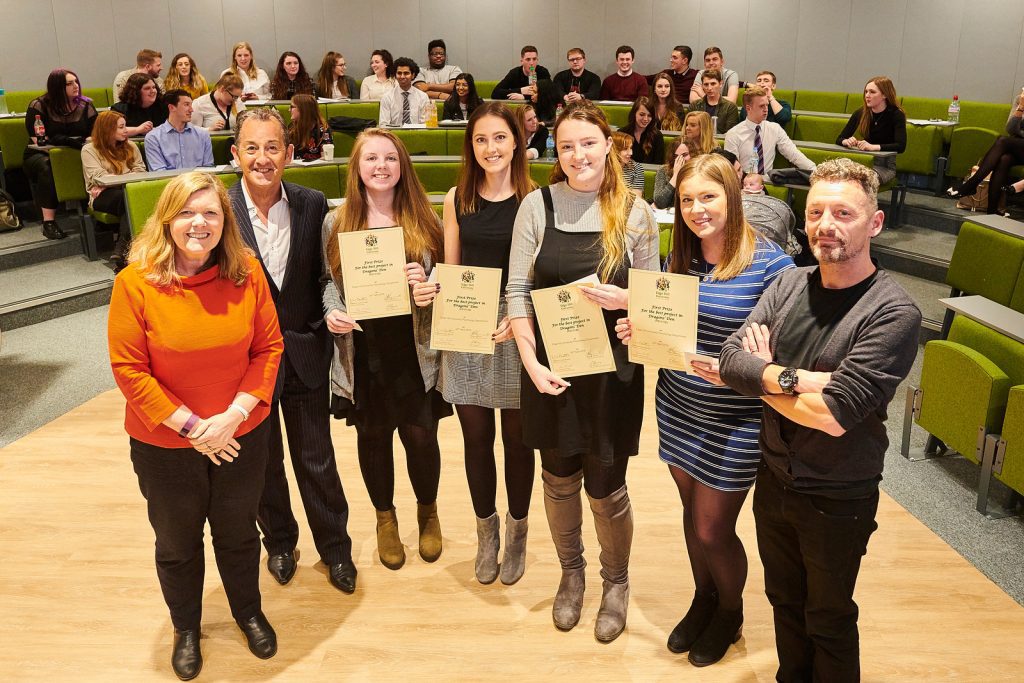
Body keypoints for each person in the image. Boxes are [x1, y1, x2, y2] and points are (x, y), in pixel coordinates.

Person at [719, 158, 921, 682]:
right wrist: (801, 380)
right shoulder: (788, 284)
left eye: (843, 213)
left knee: (828, 617)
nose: (825, 224)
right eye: (816, 211)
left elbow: (834, 417)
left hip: (837, 493)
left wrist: (763, 376)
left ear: (873, 224)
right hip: (775, 477)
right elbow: (731, 359)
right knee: (783, 600)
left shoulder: (894, 312)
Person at [616, 153, 795, 666]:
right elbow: (669, 327)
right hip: (679, 405)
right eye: (688, 199)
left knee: (714, 527)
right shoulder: (683, 257)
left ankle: (730, 612)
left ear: (733, 197)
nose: (696, 209)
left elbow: (783, 349)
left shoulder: (771, 265)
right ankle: (703, 597)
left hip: (736, 417)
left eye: (708, 197)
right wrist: (638, 328)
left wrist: (741, 368)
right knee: (692, 518)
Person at [108, 170, 285, 680]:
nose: (199, 223)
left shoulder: (245, 272)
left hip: (240, 434)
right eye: (186, 212)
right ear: (166, 219)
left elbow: (268, 348)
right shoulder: (135, 282)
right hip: (164, 445)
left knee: (237, 535)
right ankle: (187, 627)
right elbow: (129, 369)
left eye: (210, 212)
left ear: (224, 221)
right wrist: (194, 429)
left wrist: (230, 418)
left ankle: (248, 612)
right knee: (177, 542)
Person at [506, 101, 659, 642]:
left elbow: (654, 297)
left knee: (606, 485)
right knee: (558, 478)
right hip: (551, 368)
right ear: (556, 150)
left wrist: (628, 304)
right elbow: (517, 292)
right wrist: (530, 361)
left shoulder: (635, 212)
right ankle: (571, 576)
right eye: (566, 146)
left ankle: (614, 582)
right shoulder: (535, 206)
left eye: (588, 143)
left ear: (608, 144)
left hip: (612, 372)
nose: (578, 155)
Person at [228, 108, 358, 594]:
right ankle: (279, 542)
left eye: (273, 147)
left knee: (316, 459)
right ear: (236, 153)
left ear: (288, 152)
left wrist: (330, 311)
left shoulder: (311, 203)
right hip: (245, 367)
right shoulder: (220, 211)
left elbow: (323, 278)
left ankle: (336, 548)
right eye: (253, 148)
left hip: (304, 353)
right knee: (262, 464)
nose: (263, 158)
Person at [322, 128, 449, 571]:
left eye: (390, 158)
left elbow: (445, 280)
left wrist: (430, 288)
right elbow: (327, 284)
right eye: (371, 158)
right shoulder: (336, 222)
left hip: (413, 347)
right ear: (356, 167)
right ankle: (384, 519)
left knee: (420, 435)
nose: (381, 166)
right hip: (362, 348)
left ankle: (428, 513)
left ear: (403, 166)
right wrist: (332, 313)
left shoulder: (425, 219)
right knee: (372, 437)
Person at [429, 102, 538, 585]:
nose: (490, 148)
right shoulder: (457, 197)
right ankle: (485, 533)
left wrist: (520, 319)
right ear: (470, 146)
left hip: (518, 323)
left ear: (517, 141)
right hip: (468, 322)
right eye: (480, 139)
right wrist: (436, 290)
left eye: (499, 138)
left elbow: (540, 273)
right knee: (476, 439)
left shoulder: (536, 198)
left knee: (518, 440)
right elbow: (452, 268)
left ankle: (517, 534)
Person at [23, 68, 98, 240]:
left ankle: (97, 214)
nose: (75, 86)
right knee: (48, 168)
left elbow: (97, 133)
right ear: (57, 87)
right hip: (41, 154)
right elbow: (39, 140)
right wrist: (68, 141)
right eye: (69, 83)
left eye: (76, 81)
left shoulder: (86, 105)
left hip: (76, 152)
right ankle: (48, 222)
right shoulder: (38, 105)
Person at [80, 110, 146, 269]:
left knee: (129, 198)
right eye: (121, 127)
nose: (126, 130)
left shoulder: (131, 146)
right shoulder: (89, 150)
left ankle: (122, 250)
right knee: (127, 199)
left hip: (124, 191)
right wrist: (126, 176)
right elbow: (98, 177)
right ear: (107, 129)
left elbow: (141, 171)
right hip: (101, 197)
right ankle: (124, 248)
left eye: (125, 126)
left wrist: (111, 181)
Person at [947, 86, 1024, 214]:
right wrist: (1021, 107)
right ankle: (992, 211)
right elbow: (1010, 129)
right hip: (1019, 147)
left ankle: (972, 184)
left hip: (1017, 144)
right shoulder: (1019, 99)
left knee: (1002, 141)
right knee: (1004, 159)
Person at [725, 86, 814, 175]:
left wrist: (815, 171)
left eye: (767, 105)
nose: (766, 109)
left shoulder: (774, 128)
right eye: (761, 106)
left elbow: (794, 154)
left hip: (766, 182)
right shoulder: (733, 134)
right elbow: (731, 169)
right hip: (744, 182)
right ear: (748, 108)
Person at [837, 76, 906, 184]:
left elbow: (901, 146)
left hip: (885, 167)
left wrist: (873, 147)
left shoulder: (896, 114)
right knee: (839, 176)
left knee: (859, 181)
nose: (867, 96)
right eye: (866, 92)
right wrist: (846, 141)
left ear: (884, 95)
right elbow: (839, 138)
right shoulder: (861, 112)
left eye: (872, 92)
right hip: (863, 163)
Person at [145, 90, 214, 171]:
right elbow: (159, 173)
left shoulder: (203, 135)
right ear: (171, 107)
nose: (191, 110)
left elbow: (208, 168)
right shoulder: (153, 138)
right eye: (186, 105)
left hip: (198, 182)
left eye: (191, 105)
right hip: (169, 183)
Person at [378, 57, 431, 127]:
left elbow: (426, 124)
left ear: (413, 75)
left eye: (406, 73)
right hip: (394, 135)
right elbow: (383, 124)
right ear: (395, 75)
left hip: (417, 134)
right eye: (399, 73)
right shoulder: (387, 97)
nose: (402, 76)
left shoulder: (423, 97)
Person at [112, 72, 166, 137]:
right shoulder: (119, 109)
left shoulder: (163, 105)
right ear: (136, 91)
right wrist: (138, 130)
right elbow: (113, 130)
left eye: (154, 87)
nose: (153, 91)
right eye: (147, 88)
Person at [688, 70, 739, 135]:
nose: (709, 88)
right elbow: (688, 129)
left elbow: (731, 133)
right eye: (706, 84)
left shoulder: (730, 107)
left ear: (720, 84)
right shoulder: (694, 105)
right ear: (702, 86)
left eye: (713, 84)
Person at [652, 136, 694, 209]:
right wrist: (675, 176)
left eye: (684, 155)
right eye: (676, 156)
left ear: (692, 154)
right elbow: (659, 202)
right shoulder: (663, 171)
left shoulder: (698, 171)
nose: (680, 159)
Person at [288, 94, 332, 161]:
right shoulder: (292, 127)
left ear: (303, 109)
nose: (289, 110)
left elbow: (326, 157)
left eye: (292, 107)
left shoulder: (322, 130)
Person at [621, 96, 664, 164]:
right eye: (642, 115)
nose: (645, 119)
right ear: (634, 114)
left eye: (649, 116)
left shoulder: (657, 136)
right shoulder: (622, 133)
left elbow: (658, 164)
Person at [612, 130, 645, 196]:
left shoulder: (637, 168)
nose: (631, 153)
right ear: (614, 149)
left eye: (630, 148)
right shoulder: (603, 168)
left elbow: (636, 199)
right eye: (625, 149)